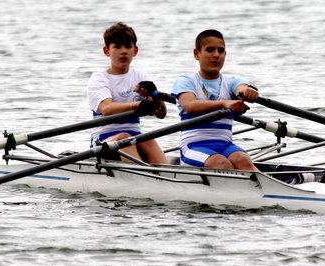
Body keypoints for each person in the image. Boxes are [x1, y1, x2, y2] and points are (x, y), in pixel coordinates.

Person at [171, 29, 260, 171]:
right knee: (222, 164)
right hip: (194, 147)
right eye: (210, 50)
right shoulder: (185, 81)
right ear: (196, 54)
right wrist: (224, 103)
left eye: (221, 51)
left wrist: (248, 91)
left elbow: (241, 88)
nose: (216, 55)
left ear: (225, 54)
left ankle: (276, 190)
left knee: (243, 160)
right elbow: (189, 106)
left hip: (225, 146)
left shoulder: (231, 82)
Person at [86, 22, 168, 165]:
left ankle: (166, 177)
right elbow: (107, 109)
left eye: (128, 46)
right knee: (125, 137)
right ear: (107, 51)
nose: (123, 51)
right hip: (104, 140)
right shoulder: (99, 78)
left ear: (135, 50)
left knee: (147, 137)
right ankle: (143, 179)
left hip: (135, 137)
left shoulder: (142, 77)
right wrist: (138, 105)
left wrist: (156, 98)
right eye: (117, 47)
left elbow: (161, 114)